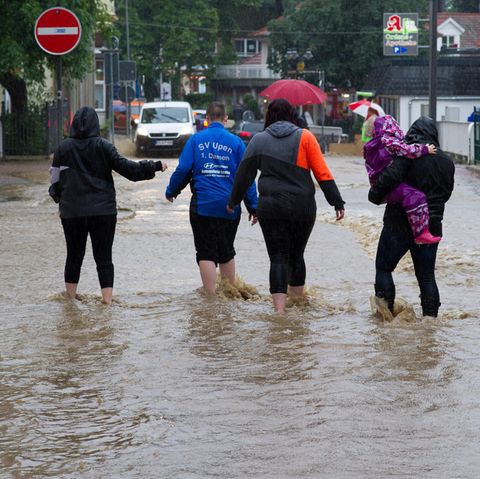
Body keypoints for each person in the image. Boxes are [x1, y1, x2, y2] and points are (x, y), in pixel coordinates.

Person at [227, 98, 345, 313]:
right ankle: (297, 305)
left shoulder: (258, 140)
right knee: (296, 255)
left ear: (268, 116)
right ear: (292, 114)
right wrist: (336, 201)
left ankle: (279, 312)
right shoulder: (306, 137)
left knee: (278, 257)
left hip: (270, 206)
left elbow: (244, 176)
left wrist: (233, 202)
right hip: (302, 206)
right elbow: (322, 172)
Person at [49, 106, 167, 304]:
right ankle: (107, 302)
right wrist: (153, 166)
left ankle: (69, 301)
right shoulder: (104, 147)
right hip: (103, 212)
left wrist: (62, 199)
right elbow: (129, 170)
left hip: (72, 213)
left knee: (73, 256)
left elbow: (54, 180)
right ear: (96, 125)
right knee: (104, 258)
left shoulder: (63, 148)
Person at [165, 101, 257, 293]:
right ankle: (230, 293)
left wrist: (172, 190)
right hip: (229, 207)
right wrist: (253, 206)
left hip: (202, 207)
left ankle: (211, 299)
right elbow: (246, 176)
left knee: (206, 252)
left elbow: (183, 169)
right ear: (225, 119)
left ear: (206, 119)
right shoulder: (236, 143)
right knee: (226, 252)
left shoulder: (196, 140)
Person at [369, 116, 455, 318]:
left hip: (399, 221)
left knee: (384, 268)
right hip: (431, 224)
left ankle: (384, 318)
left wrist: (374, 196)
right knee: (426, 276)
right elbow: (447, 193)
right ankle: (430, 322)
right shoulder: (447, 162)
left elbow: (390, 178)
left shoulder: (408, 155)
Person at [364, 114, 440, 244]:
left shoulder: (371, 145)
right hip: (395, 192)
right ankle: (421, 232)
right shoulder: (388, 141)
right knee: (417, 196)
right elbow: (406, 150)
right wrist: (424, 149)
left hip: (380, 186)